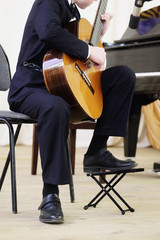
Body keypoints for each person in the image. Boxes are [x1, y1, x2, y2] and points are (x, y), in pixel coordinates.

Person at [8, 0, 137, 224]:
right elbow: (49, 31)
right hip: (30, 87)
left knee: (123, 76)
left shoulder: (73, 11)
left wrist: (97, 38)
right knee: (56, 106)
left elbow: (70, 57)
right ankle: (50, 195)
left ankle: (97, 152)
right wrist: (89, 49)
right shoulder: (50, 1)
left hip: (61, 84)